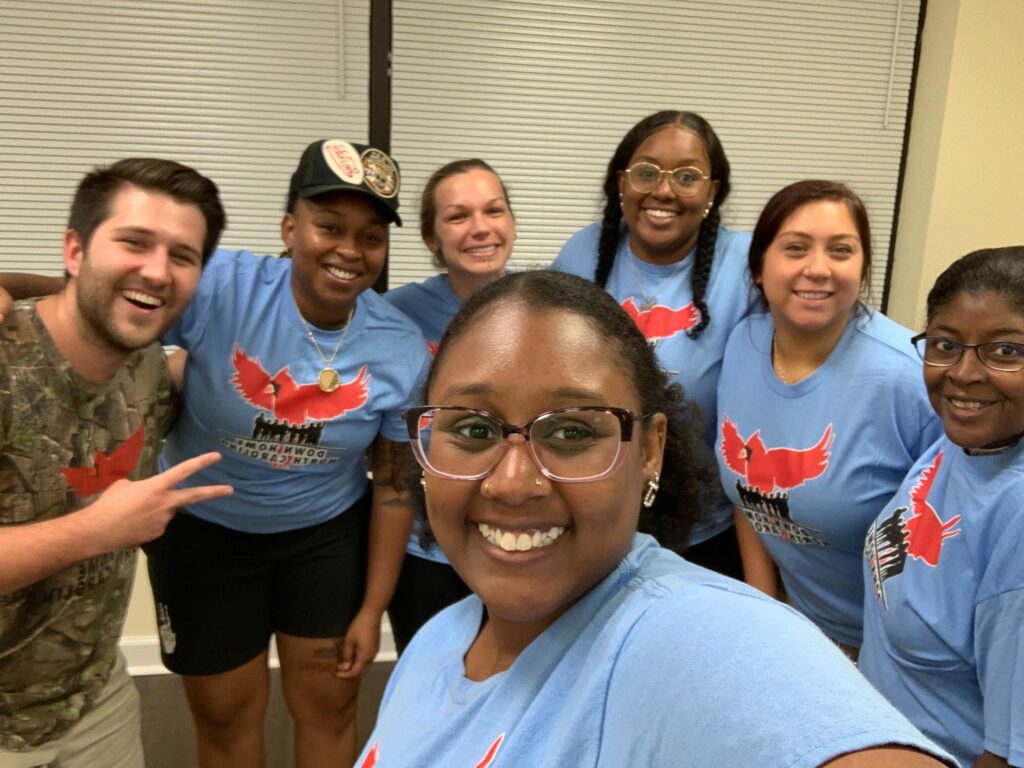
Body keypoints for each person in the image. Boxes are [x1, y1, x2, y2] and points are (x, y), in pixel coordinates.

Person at [355, 269, 951, 767]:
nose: (513, 483)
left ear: (650, 450)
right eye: (474, 429)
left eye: (570, 431)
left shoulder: (692, 637)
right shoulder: (437, 641)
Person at [141, 138, 430, 768]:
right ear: (290, 228)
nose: (350, 251)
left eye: (371, 236)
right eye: (329, 226)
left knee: (329, 708)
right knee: (226, 719)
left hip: (321, 541)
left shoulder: (399, 347)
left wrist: (373, 608)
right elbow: (113, 303)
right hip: (202, 532)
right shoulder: (223, 286)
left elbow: (393, 484)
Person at [0, 158, 232, 767]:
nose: (157, 271)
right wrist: (97, 532)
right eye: (134, 242)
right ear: (74, 250)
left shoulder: (149, 365)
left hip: (95, 700)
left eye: (183, 256)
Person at [715, 180, 942, 655]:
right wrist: (765, 607)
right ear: (758, 266)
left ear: (862, 268)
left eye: (841, 250)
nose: (818, 269)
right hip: (794, 624)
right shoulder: (743, 343)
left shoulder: (911, 378)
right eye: (795, 248)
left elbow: (951, 540)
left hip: (892, 649)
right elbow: (750, 491)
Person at [552, 110, 752, 576]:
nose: (663, 191)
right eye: (646, 172)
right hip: (595, 515)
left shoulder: (744, 264)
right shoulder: (582, 254)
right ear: (621, 182)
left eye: (687, 176)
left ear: (712, 191)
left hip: (708, 528)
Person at [860, 247, 1024, 768]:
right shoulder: (963, 439)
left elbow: (1008, 754)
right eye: (945, 344)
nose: (964, 374)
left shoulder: (1016, 514)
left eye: (1005, 352)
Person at [383, 158, 515, 652]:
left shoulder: (541, 307)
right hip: (425, 546)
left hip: (514, 531)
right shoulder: (394, 315)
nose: (480, 228)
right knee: (430, 683)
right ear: (431, 239)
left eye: (493, 211)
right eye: (458, 217)